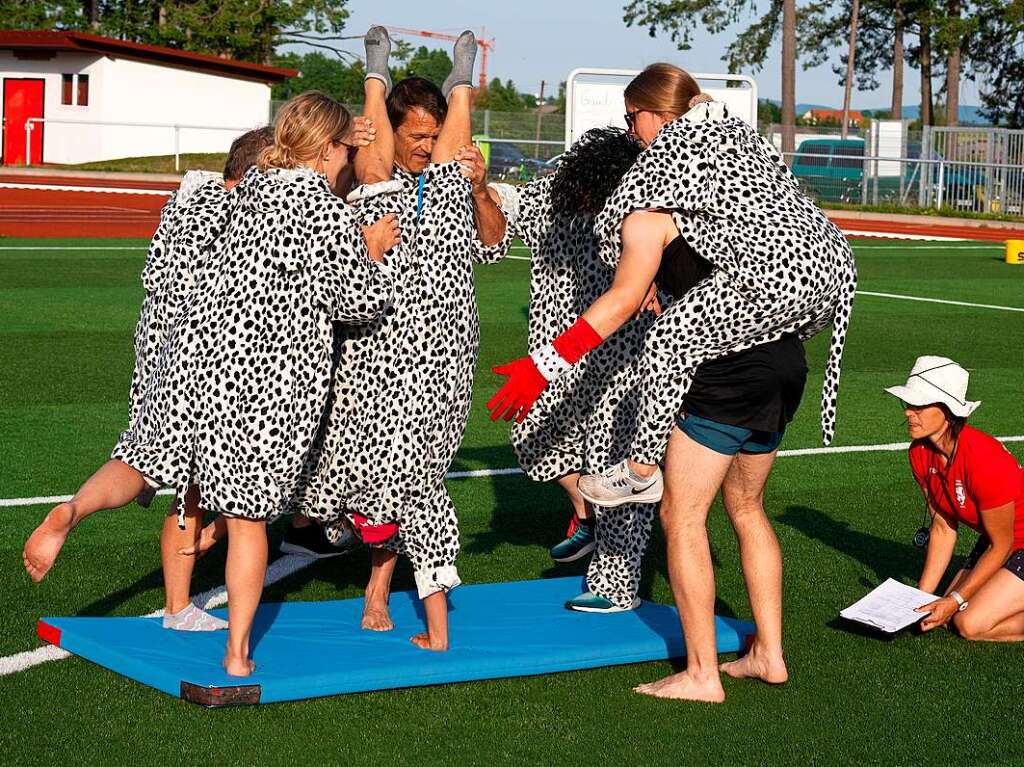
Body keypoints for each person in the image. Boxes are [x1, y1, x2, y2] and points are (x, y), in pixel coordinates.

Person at [488, 63, 856, 702]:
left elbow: (621, 301)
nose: (631, 132)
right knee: (746, 509)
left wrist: (542, 364)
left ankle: (701, 672)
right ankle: (769, 654)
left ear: (655, 118)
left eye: (634, 120)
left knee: (681, 517)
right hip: (785, 354)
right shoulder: (743, 173)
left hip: (727, 367)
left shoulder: (647, 207)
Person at [295, 28, 505, 651]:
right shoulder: (370, 164)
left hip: (439, 337)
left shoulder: (447, 171)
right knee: (374, 178)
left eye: (432, 135)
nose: (425, 145)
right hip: (374, 334)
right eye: (415, 134)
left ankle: (459, 82)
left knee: (412, 474)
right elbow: (330, 204)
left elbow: (493, 242)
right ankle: (375, 77)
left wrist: (475, 185)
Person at [21, 128, 275, 632]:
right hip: (218, 354)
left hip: (160, 348)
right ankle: (181, 604)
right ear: (259, 173)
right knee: (198, 485)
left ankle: (74, 508)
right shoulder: (251, 213)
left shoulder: (189, 198)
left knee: (143, 455)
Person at [493, 127, 657, 611]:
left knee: (617, 464)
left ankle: (615, 585)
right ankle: (585, 513)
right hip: (557, 352)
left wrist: (659, 284)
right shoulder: (553, 198)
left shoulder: (645, 208)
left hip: (624, 353)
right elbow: (507, 210)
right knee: (532, 438)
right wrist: (483, 187)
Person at [885, 356, 1024, 641]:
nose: (909, 412)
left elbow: (1003, 544)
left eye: (920, 405)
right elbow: (942, 528)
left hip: (1008, 540)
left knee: (969, 623)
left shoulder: (983, 459)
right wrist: (919, 598)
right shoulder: (919, 453)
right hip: (1002, 538)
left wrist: (955, 600)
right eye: (908, 404)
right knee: (943, 612)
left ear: (948, 411)